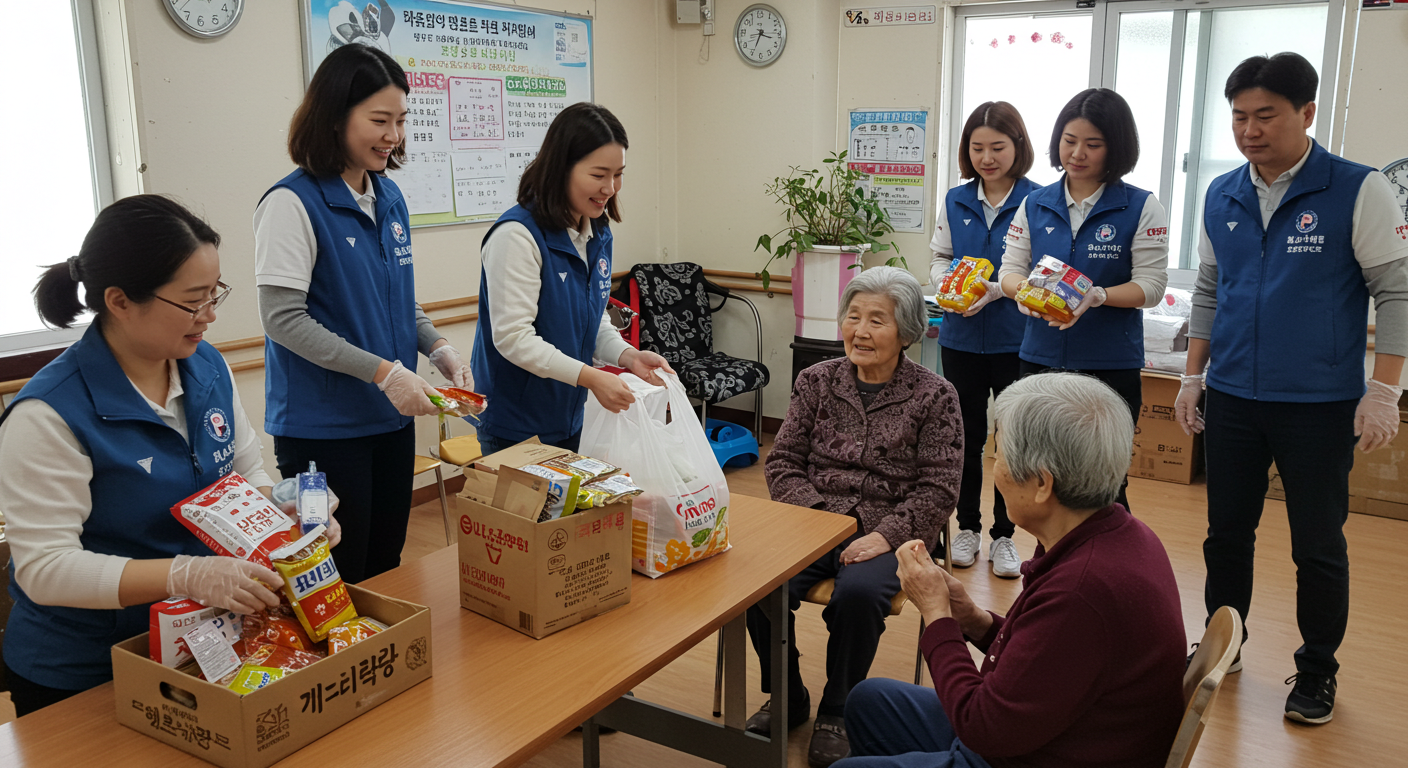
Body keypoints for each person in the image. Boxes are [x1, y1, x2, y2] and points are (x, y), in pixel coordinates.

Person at [0, 196, 327, 716]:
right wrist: (185, 574)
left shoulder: (207, 367)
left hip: (202, 643)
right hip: (86, 669)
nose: (211, 316)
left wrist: (281, 518)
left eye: (214, 293)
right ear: (120, 301)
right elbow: (46, 568)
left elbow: (246, 473)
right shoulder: (49, 414)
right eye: (193, 300)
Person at [1174, 52, 1408, 725]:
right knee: (1226, 535)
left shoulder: (1356, 189)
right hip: (1235, 400)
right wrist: (1194, 376)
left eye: (1265, 115)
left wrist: (1383, 391)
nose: (1249, 129)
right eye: (1239, 116)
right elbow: (1211, 289)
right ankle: (1227, 641)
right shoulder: (1223, 193)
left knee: (1317, 544)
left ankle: (1317, 671)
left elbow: (1395, 293)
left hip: (1319, 403)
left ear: (1306, 114)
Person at [835, 372, 1186, 768]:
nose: (995, 467)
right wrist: (971, 618)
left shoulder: (1084, 591)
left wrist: (937, 616)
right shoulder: (1117, 533)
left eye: (998, 452)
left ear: (1041, 483)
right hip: (1051, 728)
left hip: (1028, 750)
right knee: (868, 700)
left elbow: (981, 726)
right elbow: (1050, 657)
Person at [254, 44, 465, 584]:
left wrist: (435, 346)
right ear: (333, 116)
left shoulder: (389, 197)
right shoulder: (292, 204)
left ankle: (383, 663)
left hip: (389, 418)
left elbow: (397, 296)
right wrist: (383, 372)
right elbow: (283, 319)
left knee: (386, 565)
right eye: (379, 120)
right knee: (337, 576)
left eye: (401, 120)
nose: (393, 135)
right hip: (323, 429)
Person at [746, 266, 963, 768]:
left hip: (893, 528)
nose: (860, 331)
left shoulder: (935, 396)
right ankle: (788, 693)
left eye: (877, 320)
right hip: (814, 518)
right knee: (752, 583)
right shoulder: (816, 380)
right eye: (853, 316)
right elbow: (782, 463)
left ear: (907, 331)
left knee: (861, 593)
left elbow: (938, 489)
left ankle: (839, 709)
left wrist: (885, 536)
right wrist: (826, 520)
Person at [997, 88, 1169, 511]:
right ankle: (1049, 571)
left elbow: (1152, 286)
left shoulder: (1141, 206)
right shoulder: (1034, 204)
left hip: (1108, 366)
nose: (1078, 153)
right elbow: (1009, 273)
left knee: (1105, 485)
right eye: (1069, 140)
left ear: (1117, 148)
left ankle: (1111, 572)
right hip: (1039, 360)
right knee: (1038, 483)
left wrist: (1098, 296)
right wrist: (1028, 294)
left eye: (1093, 144)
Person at [472, 102, 672, 455]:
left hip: (570, 416)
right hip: (516, 424)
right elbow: (513, 338)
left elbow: (589, 320)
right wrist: (593, 377)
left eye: (618, 174)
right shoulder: (517, 236)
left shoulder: (596, 232)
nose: (610, 187)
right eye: (598, 175)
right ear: (562, 168)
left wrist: (627, 356)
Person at [929, 101, 1041, 578]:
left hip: (1019, 340)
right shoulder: (956, 199)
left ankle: (1004, 537)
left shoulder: (1040, 200)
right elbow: (939, 256)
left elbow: (1043, 272)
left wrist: (997, 289)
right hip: (959, 338)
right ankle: (968, 528)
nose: (987, 157)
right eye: (978, 147)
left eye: (998, 147)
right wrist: (947, 286)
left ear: (1018, 147)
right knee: (966, 438)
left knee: (1012, 441)